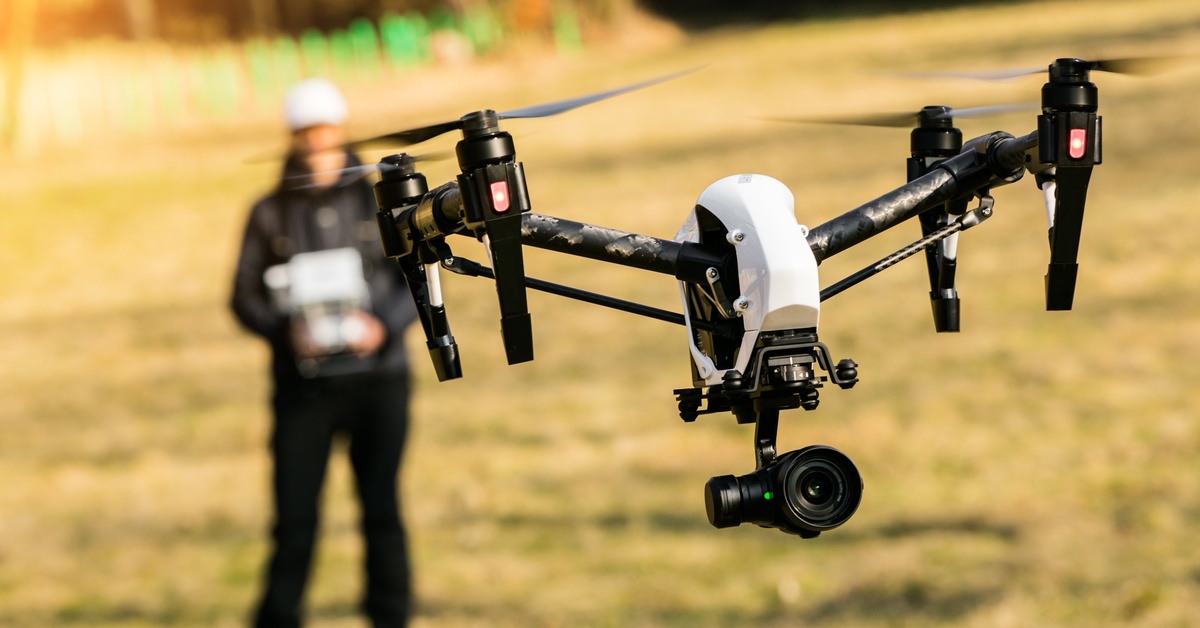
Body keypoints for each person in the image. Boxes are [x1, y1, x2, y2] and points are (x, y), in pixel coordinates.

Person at [230, 77, 417, 628]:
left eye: (325, 130)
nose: (316, 142)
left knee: (381, 511)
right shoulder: (267, 212)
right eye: (305, 132)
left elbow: (416, 278)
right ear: (291, 137)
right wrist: (287, 333)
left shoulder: (381, 198)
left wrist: (380, 327)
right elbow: (242, 296)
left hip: (379, 382)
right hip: (303, 390)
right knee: (294, 521)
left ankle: (391, 615)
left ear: (342, 130)